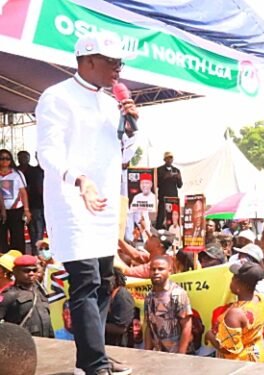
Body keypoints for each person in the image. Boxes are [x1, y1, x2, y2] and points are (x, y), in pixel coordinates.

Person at [35, 31, 137, 375]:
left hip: (104, 204)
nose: (118, 70)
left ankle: (92, 356)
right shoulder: (57, 97)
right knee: (86, 280)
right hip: (72, 200)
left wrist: (132, 129)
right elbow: (47, 152)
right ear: (88, 60)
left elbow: (122, 155)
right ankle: (94, 364)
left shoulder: (111, 103)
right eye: (113, 62)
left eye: (120, 63)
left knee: (106, 280)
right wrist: (78, 179)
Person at [206, 261, 264, 362]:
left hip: (242, 363)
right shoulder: (259, 299)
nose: (231, 280)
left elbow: (229, 349)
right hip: (260, 355)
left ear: (240, 286)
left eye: (233, 278)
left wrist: (209, 335)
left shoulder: (235, 314)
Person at [144, 256, 192, 354]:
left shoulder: (177, 294)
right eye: (153, 269)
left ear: (169, 271)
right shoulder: (149, 296)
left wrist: (181, 355)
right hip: (158, 354)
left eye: (161, 269)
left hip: (176, 354)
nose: (156, 272)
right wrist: (147, 352)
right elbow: (149, 327)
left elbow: (187, 325)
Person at [0, 255, 53, 338]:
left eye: (34, 270)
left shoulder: (40, 291)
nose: (31, 273)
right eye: (26, 271)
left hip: (46, 342)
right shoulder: (9, 295)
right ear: (15, 272)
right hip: (22, 343)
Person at [0, 149, 27, 254]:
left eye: (7, 158)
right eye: (2, 158)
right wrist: (3, 209)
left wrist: (26, 209)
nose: (5, 161)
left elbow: (23, 192)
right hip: (1, 210)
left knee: (17, 237)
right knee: (1, 238)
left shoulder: (17, 174)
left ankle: (18, 260)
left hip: (16, 210)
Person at [17, 151, 45, 255]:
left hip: (41, 205)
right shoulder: (18, 171)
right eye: (21, 157)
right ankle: (36, 255)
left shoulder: (36, 170)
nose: (23, 159)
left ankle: (41, 254)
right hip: (29, 205)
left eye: (26, 157)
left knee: (40, 231)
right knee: (35, 232)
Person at [105, 268, 134, 347]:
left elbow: (121, 328)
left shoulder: (122, 296)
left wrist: (96, 325)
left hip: (120, 347)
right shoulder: (106, 295)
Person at [156, 152, 182, 229]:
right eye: (168, 158)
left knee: (173, 216)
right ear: (164, 159)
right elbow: (156, 184)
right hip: (163, 197)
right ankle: (158, 231)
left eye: (171, 158)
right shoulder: (159, 170)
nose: (169, 160)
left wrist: (178, 178)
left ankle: (173, 231)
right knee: (161, 216)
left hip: (173, 198)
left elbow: (180, 185)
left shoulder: (176, 170)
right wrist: (165, 177)